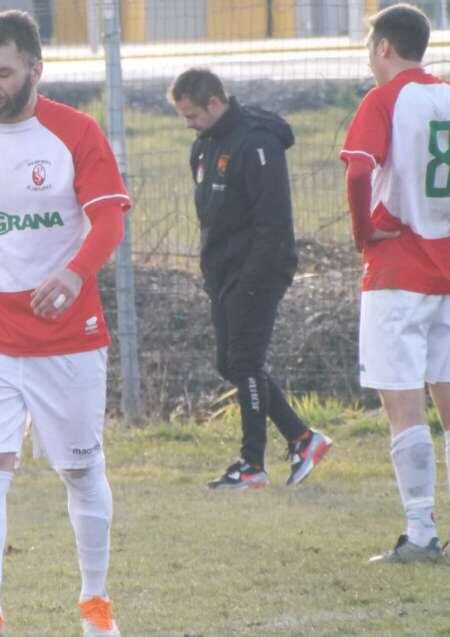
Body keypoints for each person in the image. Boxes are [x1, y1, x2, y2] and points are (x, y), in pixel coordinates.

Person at [0, 10, 129, 637]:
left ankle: (95, 605)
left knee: (80, 470)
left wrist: (74, 273)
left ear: (35, 70)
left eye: (2, 72)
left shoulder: (75, 133)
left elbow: (111, 219)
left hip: (69, 337)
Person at [170, 68, 333, 490]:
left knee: (244, 362)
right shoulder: (204, 146)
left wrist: (253, 278)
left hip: (258, 272)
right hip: (223, 272)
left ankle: (252, 464)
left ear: (215, 102)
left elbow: (273, 222)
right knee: (231, 362)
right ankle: (302, 437)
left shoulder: (257, 143)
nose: (188, 125)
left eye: (192, 116)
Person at [340, 3, 450, 563]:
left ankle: (422, 534)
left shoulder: (383, 99)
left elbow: (359, 169)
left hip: (399, 269)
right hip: (448, 269)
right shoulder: (449, 94)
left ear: (383, 47)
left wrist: (365, 233)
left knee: (403, 402)